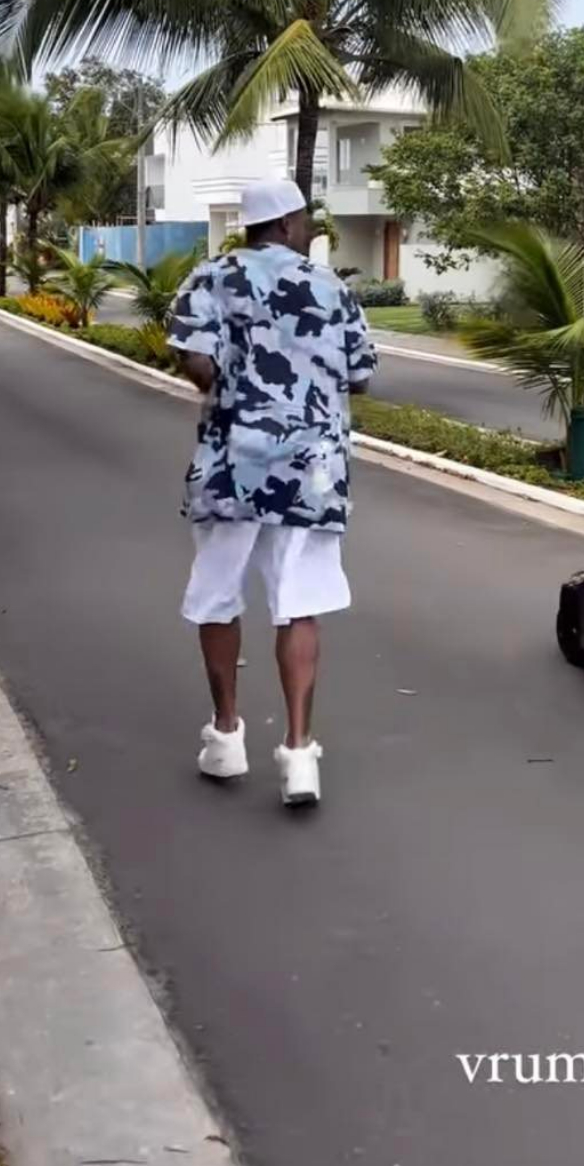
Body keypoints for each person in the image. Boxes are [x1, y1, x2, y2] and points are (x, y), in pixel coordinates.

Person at [167, 180, 376, 808]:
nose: (310, 229)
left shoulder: (208, 280)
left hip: (231, 466)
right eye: (306, 219)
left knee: (218, 596)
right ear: (285, 222)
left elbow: (195, 364)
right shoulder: (331, 287)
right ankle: (299, 753)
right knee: (299, 604)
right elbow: (362, 376)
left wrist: (237, 374)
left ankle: (227, 736)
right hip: (311, 474)